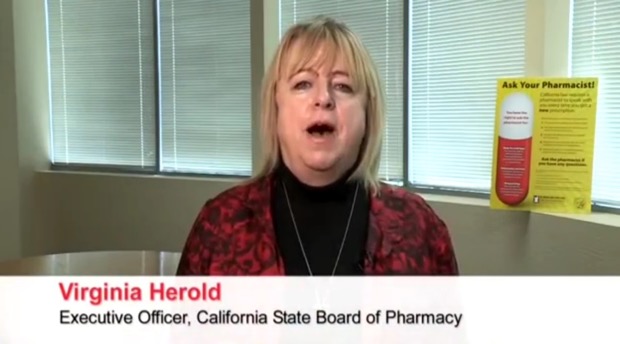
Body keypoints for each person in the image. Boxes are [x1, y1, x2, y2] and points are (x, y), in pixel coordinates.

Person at [176, 16, 458, 276]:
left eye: (343, 86)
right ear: (276, 107)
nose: (323, 98)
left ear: (367, 114)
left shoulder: (420, 228)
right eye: (302, 84)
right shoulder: (219, 225)